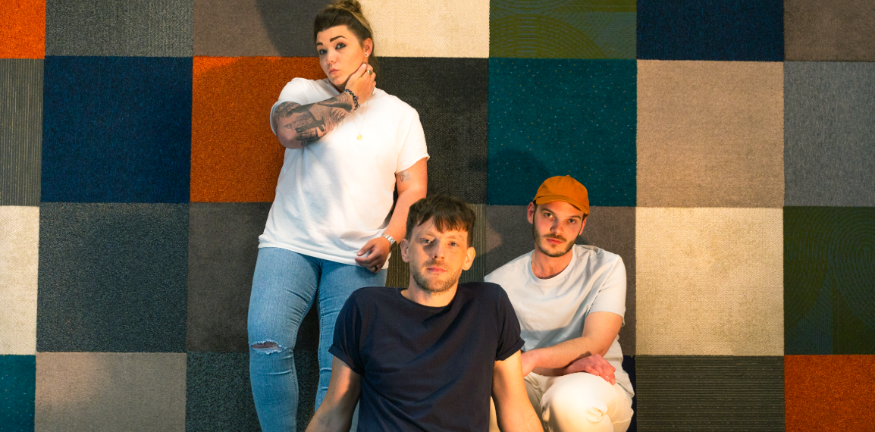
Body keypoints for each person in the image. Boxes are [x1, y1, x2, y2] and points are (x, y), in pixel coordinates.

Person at [247, 1, 428, 430]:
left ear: (366, 48)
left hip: (358, 256)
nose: (329, 58)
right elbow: (289, 131)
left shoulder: (400, 115)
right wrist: (350, 99)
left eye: (340, 45)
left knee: (341, 365)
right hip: (289, 243)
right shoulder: (302, 90)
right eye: (322, 49)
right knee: (265, 341)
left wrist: (389, 239)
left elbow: (414, 189)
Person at [306, 195, 542, 432]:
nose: (438, 253)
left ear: (468, 258)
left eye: (452, 244)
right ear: (406, 250)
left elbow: (517, 412)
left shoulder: (489, 305)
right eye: (427, 241)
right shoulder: (365, 307)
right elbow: (332, 416)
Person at [485, 176, 634, 432]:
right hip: (527, 383)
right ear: (531, 213)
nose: (557, 229)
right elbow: (494, 360)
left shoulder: (606, 267)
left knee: (567, 401)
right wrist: (563, 368)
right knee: (481, 395)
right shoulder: (497, 283)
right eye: (549, 215)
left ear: (582, 225)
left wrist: (533, 358)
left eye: (571, 221)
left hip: (594, 381)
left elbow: (595, 343)